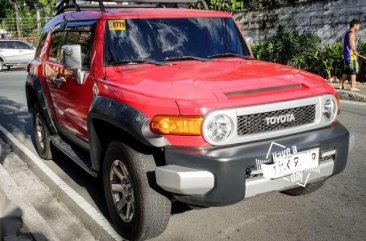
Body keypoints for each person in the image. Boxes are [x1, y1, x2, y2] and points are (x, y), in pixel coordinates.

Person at [339, 19, 362, 91]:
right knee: (353, 71)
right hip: (351, 56)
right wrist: (354, 51)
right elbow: (351, 42)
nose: (359, 28)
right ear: (354, 25)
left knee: (346, 71)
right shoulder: (352, 33)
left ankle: (341, 85)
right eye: (358, 26)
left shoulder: (347, 33)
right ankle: (353, 87)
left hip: (347, 56)